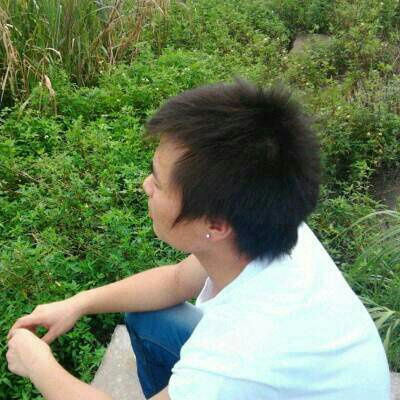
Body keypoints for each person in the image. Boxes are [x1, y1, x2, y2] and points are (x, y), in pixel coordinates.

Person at [7, 79, 390, 400]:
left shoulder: (241, 355)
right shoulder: (271, 225)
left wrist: (37, 364)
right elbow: (176, 281)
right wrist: (78, 303)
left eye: (158, 182)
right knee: (150, 316)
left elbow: (237, 361)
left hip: (258, 368)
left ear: (216, 225)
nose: (146, 186)